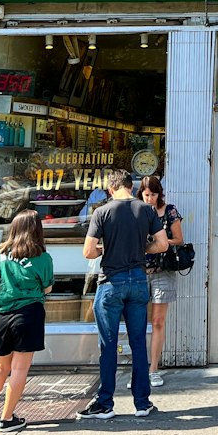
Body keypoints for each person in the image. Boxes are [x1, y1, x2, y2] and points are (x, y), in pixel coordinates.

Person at [76, 168, 167, 421]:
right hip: (138, 280)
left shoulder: (102, 212)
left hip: (111, 283)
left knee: (109, 344)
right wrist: (141, 248)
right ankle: (142, 402)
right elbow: (162, 244)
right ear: (131, 186)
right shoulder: (146, 210)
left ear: (110, 188)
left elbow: (88, 251)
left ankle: (105, 403)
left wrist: (107, 249)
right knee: (138, 342)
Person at [0, 209, 54, 433]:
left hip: (1, 314)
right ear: (36, 230)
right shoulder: (42, 257)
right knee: (20, 369)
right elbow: (47, 287)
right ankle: (7, 418)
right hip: (27, 315)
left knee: (1, 366)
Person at [140, 174, 184, 388]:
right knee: (138, 320)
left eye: (153, 194)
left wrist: (159, 243)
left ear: (160, 194)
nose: (150, 198)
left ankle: (153, 368)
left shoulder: (169, 211)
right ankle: (140, 369)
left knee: (158, 321)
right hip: (139, 269)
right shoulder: (136, 211)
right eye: (146, 194)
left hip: (163, 269)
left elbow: (179, 239)